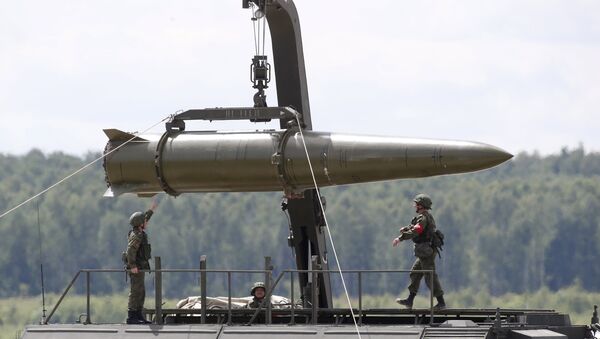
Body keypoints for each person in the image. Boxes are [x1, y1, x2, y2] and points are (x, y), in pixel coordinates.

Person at [392, 193, 446, 310]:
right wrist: (405, 229)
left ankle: (441, 303)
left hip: (426, 252)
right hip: (423, 252)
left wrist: (400, 238)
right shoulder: (423, 217)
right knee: (415, 273)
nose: (414, 206)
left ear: (421, 206)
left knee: (430, 277)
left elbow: (416, 231)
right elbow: (414, 227)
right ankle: (410, 300)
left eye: (416, 204)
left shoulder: (424, 218)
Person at [125, 200, 158, 324]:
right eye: (144, 221)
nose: (146, 222)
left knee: (141, 291)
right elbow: (130, 250)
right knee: (136, 291)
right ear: (140, 224)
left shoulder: (138, 231)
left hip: (139, 267)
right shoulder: (137, 235)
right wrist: (132, 265)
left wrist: (151, 210)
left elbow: (144, 219)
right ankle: (132, 316)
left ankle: (138, 315)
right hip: (136, 267)